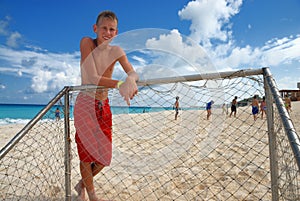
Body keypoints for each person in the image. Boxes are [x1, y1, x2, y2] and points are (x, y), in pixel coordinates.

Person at [73, 11, 139, 201]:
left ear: (116, 32)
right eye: (104, 28)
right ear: (96, 28)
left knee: (104, 156)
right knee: (86, 155)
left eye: (111, 29)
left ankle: (82, 183)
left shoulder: (116, 51)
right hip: (85, 103)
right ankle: (91, 195)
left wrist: (131, 81)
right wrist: (120, 84)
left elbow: (133, 72)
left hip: (104, 105)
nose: (107, 32)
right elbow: (93, 77)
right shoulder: (87, 42)